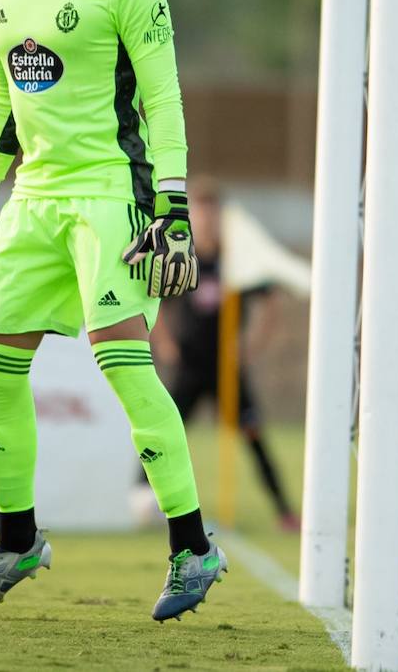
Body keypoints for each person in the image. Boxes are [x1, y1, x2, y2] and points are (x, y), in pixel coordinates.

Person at [0, 0, 226, 623]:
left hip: (111, 193)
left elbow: (164, 101)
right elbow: (5, 100)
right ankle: (18, 541)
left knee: (127, 366)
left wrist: (172, 208)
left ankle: (192, 547)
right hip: (32, 199)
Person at [132, 177, 301, 532]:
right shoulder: (182, 255)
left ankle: (284, 511)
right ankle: (140, 497)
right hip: (190, 365)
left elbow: (270, 303)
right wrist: (163, 341)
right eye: (200, 213)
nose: (206, 220)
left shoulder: (237, 260)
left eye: (212, 213)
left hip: (226, 367)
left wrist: (251, 346)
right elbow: (155, 299)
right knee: (165, 430)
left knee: (254, 436)